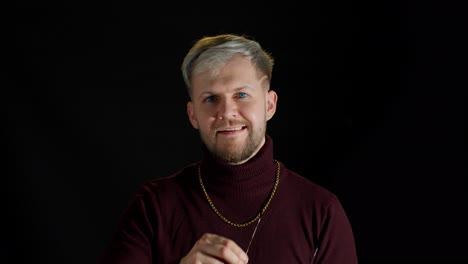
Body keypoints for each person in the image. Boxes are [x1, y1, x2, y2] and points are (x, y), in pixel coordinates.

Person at [99, 33, 358, 264]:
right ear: (193, 115)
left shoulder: (321, 211)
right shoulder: (154, 206)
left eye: (241, 95)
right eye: (211, 99)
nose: (226, 113)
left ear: (269, 105)